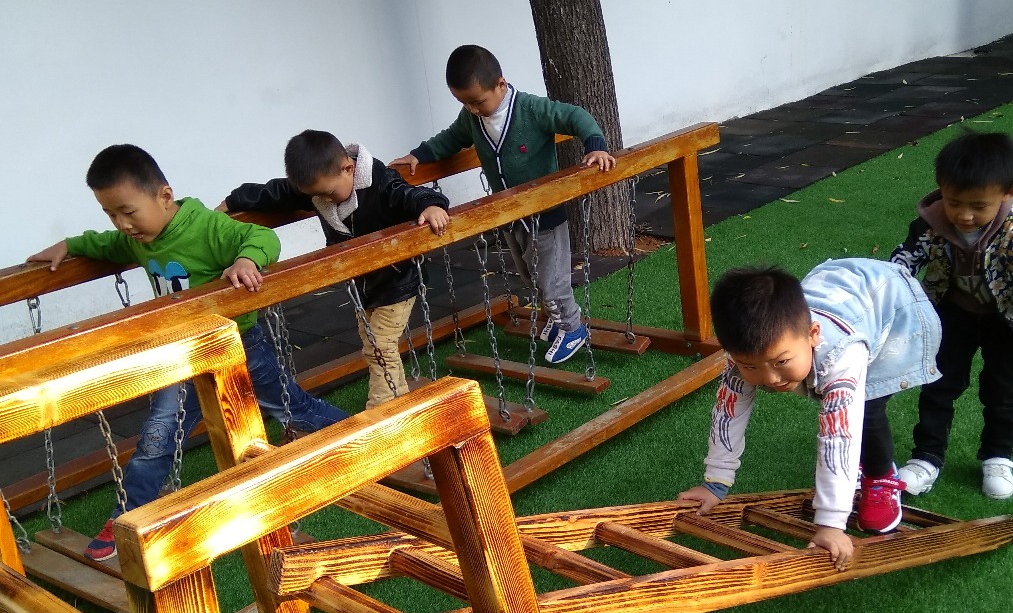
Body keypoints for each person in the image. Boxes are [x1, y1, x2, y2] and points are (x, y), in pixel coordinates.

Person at [28, 143, 348, 562]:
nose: (122, 224)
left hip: (239, 343)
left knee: (288, 404)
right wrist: (69, 245)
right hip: (182, 356)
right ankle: (130, 512)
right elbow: (105, 244)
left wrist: (246, 261)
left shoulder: (205, 227)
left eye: (127, 211)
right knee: (158, 436)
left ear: (164, 196)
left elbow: (261, 237)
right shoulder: (139, 238)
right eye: (111, 214)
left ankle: (356, 437)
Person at [678, 259, 941, 569]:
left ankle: (881, 475)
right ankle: (852, 471)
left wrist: (831, 523)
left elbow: (839, 435)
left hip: (890, 306)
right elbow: (728, 412)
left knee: (866, 408)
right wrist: (715, 483)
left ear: (813, 334)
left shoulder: (843, 356)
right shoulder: (744, 353)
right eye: (751, 366)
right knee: (834, 402)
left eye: (781, 362)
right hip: (842, 293)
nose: (770, 378)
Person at [393, 44, 615, 366]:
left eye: (477, 101)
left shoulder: (531, 109)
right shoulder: (472, 118)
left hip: (545, 213)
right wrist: (419, 154)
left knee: (551, 278)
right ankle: (556, 318)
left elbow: (575, 116)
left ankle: (572, 327)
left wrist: (595, 146)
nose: (472, 109)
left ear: (500, 84)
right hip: (510, 214)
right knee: (529, 273)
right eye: (464, 103)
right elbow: (451, 138)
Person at [224, 130, 450, 407]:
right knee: (373, 343)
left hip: (397, 279)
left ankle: (382, 407)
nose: (326, 200)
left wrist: (431, 206)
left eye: (329, 193)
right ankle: (398, 397)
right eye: (317, 196)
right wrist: (234, 200)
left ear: (349, 169)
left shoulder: (380, 181)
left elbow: (409, 195)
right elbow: (275, 192)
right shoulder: (321, 186)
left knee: (380, 345)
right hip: (362, 286)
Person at [890, 130, 1013, 501]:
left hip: (1004, 320)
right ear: (941, 189)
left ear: (1009, 193)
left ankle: (998, 457)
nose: (964, 215)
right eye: (954, 202)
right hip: (952, 314)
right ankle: (926, 457)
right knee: (938, 385)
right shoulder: (930, 224)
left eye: (979, 206)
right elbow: (900, 266)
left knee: (1004, 392)